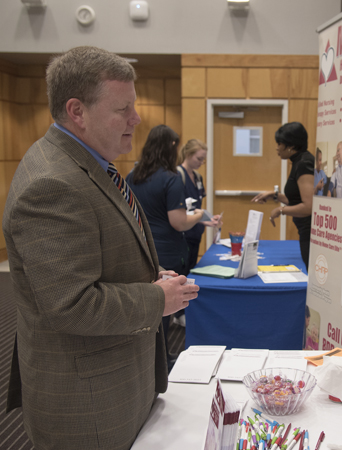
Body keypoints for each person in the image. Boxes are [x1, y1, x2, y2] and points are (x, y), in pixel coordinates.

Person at [2, 46, 199, 450]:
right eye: (122, 109)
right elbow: (70, 305)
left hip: (115, 381)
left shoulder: (90, 164)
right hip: (86, 405)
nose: (136, 118)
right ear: (77, 111)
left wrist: (148, 278)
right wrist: (154, 299)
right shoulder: (52, 184)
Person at [126, 126, 209, 354]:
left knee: (148, 307)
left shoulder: (131, 177)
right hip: (168, 251)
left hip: (141, 249)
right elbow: (179, 222)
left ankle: (151, 359)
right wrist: (201, 215)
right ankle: (161, 361)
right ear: (172, 149)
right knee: (164, 309)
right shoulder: (170, 179)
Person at [251, 122, 314, 269]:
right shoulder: (299, 161)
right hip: (305, 230)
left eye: (279, 143)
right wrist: (276, 196)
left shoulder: (304, 163)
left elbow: (309, 206)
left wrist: (280, 210)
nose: (277, 148)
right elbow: (296, 200)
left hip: (310, 232)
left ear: (290, 145)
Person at [177, 139, 221, 273]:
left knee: (192, 268)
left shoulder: (197, 177)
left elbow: (197, 207)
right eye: (199, 159)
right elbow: (182, 210)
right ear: (188, 155)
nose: (201, 163)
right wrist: (202, 219)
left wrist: (209, 219)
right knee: (183, 271)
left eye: (204, 160)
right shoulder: (177, 176)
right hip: (183, 235)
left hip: (196, 232)